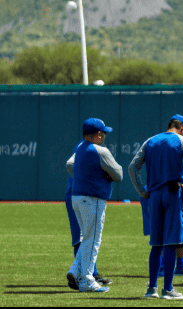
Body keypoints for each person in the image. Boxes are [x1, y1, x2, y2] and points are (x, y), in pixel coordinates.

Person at [128, 114, 183, 300]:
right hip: (173, 192)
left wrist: (142, 191)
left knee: (156, 244)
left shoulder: (150, 141)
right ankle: (167, 289)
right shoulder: (182, 140)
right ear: (182, 128)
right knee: (171, 243)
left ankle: (151, 289)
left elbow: (132, 167)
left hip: (154, 195)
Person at [65, 118, 123, 293]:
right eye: (103, 133)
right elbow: (119, 174)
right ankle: (87, 280)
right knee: (93, 239)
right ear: (98, 134)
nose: (104, 136)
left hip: (77, 197)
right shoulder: (100, 150)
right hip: (93, 199)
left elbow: (70, 164)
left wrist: (84, 176)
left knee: (86, 238)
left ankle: (75, 270)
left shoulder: (80, 148)